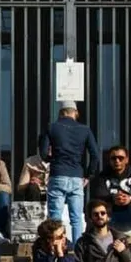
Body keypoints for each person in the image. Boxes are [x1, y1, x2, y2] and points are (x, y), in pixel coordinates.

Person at [39, 102, 101, 244]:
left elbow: (42, 152)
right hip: (76, 176)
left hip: (58, 173)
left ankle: (56, 248)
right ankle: (77, 250)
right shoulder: (84, 130)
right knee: (76, 217)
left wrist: (51, 159)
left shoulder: (52, 127)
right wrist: (88, 174)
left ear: (61, 113)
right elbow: (95, 155)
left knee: (55, 217)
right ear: (75, 113)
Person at [89, 145, 131, 255]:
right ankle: (93, 246)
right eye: (113, 158)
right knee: (97, 208)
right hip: (111, 218)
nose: (117, 161)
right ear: (109, 160)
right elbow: (97, 195)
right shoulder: (102, 176)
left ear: (127, 159)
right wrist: (113, 199)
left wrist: (130, 198)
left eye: (121, 158)